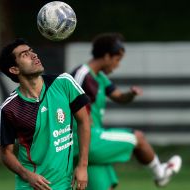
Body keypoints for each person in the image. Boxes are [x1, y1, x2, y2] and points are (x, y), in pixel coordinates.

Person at [71, 33, 182, 190]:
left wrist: (131, 94)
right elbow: (68, 104)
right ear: (107, 56)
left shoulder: (99, 77)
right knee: (138, 138)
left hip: (91, 143)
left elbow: (119, 97)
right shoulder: (82, 75)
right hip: (86, 140)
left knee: (104, 186)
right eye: (117, 60)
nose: (117, 65)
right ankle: (160, 174)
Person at [0, 38, 90, 190]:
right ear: (14, 69)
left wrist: (82, 165)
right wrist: (27, 175)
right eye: (24, 54)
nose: (33, 55)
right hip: (31, 186)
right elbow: (6, 153)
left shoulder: (64, 83)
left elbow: (84, 121)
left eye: (31, 51)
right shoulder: (9, 108)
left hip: (65, 184)